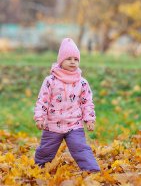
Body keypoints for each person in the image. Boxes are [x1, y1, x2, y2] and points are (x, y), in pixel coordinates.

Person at [33, 38, 100, 172]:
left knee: (81, 148)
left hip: (74, 125)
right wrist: (40, 117)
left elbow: (87, 102)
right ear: (60, 60)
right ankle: (38, 169)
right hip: (52, 124)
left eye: (76, 59)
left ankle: (92, 171)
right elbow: (43, 100)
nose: (72, 62)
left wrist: (89, 119)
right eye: (68, 58)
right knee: (46, 150)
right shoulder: (50, 81)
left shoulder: (82, 83)